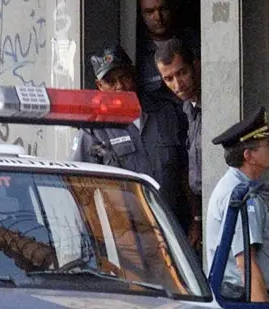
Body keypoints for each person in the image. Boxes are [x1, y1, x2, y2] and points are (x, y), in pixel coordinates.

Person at [71, 45, 194, 238]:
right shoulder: (93, 130)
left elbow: (187, 169)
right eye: (110, 82)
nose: (120, 86)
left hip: (176, 229)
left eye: (124, 77)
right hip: (126, 236)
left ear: (134, 75)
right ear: (99, 86)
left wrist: (196, 219)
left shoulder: (167, 112)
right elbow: (82, 191)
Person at [205, 107, 269, 303]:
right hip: (244, 297)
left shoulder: (243, 188)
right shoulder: (242, 195)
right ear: (249, 156)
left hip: (243, 294)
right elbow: (246, 264)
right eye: (268, 145)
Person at [155, 38, 202, 248]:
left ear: (196, 65)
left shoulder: (213, 106)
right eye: (168, 79)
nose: (177, 84)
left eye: (182, 73)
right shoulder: (186, 109)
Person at [136, 0, 201, 105]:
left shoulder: (194, 42)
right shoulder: (137, 52)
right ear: (141, 15)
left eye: (163, 8)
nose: (158, 17)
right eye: (150, 12)